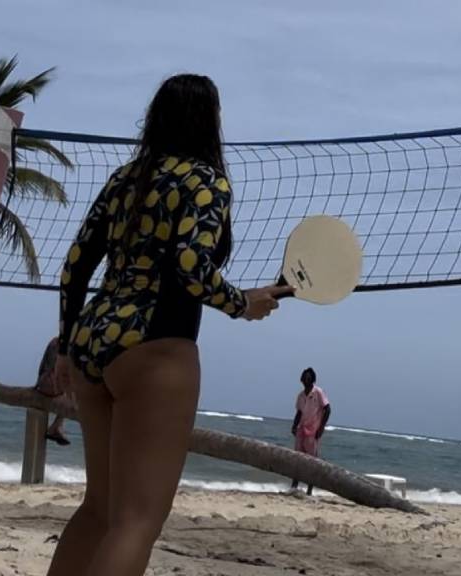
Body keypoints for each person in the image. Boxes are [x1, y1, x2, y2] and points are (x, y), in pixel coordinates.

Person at [45, 74, 290, 576]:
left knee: (99, 510)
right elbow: (189, 266)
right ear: (210, 121)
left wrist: (68, 347)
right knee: (136, 521)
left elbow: (74, 267)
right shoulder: (206, 181)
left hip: (95, 338)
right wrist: (242, 303)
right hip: (155, 348)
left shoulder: (126, 178)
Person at [290, 367, 331, 496]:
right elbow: (299, 412)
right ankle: (294, 486)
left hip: (313, 431)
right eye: (304, 377)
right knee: (297, 458)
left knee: (312, 461)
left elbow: (328, 409)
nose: (306, 379)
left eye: (309, 377)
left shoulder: (318, 392)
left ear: (312, 379)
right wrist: (294, 426)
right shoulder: (301, 396)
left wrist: (321, 428)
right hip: (302, 429)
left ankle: (309, 490)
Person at [34, 336, 73, 446]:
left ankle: (57, 425)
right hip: (50, 383)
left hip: (42, 382)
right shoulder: (65, 344)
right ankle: (57, 426)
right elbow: (59, 371)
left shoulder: (55, 341)